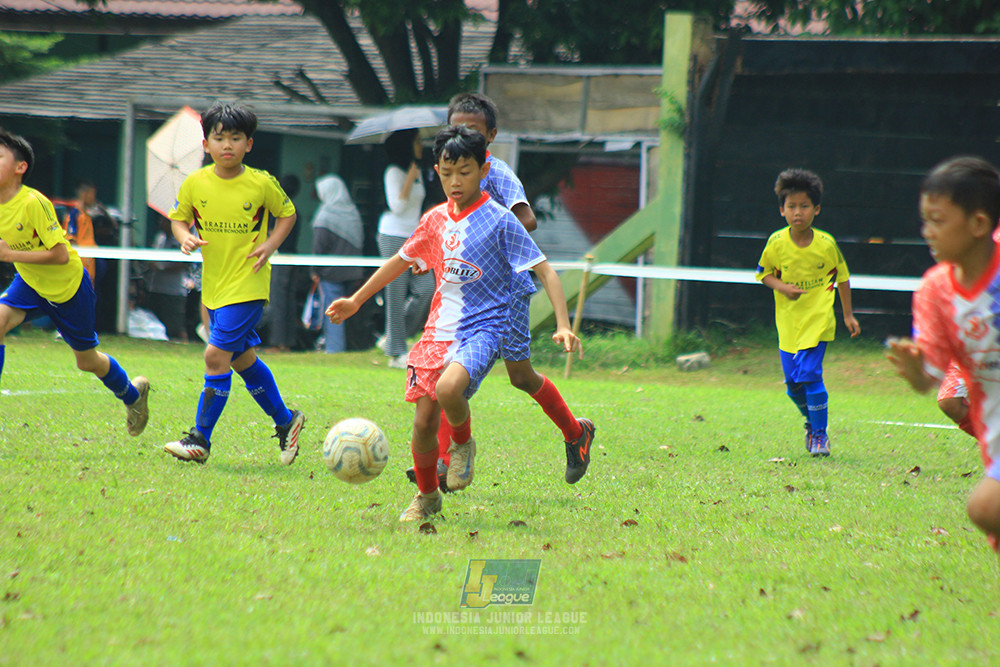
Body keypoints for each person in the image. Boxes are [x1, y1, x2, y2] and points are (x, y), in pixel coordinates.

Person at [327, 126, 580, 521]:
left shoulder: (499, 220)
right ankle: (427, 498)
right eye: (446, 173)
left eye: (464, 171)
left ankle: (462, 444)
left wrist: (563, 324)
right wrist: (356, 300)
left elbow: (546, 271)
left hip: (485, 328)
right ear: (436, 171)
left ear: (483, 169)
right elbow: (400, 260)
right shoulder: (434, 220)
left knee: (450, 389)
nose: (455, 181)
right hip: (437, 331)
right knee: (423, 421)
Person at [410, 91, 594, 491]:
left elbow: (527, 218)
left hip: (506, 292)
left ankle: (575, 432)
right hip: (470, 294)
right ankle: (444, 462)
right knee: (448, 378)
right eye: (456, 127)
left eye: (472, 130)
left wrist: (489, 229)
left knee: (521, 377)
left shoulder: (497, 174)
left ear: (490, 136)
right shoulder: (452, 169)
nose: (463, 134)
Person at [163, 102, 305, 465]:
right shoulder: (195, 183)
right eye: (219, 137)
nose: (227, 145)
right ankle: (287, 421)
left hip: (248, 284)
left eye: (236, 138)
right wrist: (184, 237)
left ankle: (200, 440)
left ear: (249, 144)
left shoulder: (261, 183)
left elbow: (287, 214)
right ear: (206, 144)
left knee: (214, 355)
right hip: (214, 286)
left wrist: (270, 245)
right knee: (241, 359)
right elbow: (178, 220)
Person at [0, 128, 150, 436]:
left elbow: (59, 255)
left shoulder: (33, 203)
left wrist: (9, 253)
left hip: (68, 287)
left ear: (20, 167)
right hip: (29, 283)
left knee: (87, 361)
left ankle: (133, 397)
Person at [887, 156, 1000, 555]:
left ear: (979, 224)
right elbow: (929, 380)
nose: (926, 232)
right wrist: (915, 370)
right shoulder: (935, 292)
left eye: (937, 220)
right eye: (925, 220)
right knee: (985, 510)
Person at [755, 168, 860, 457]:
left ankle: (820, 436)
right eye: (791, 207)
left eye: (804, 206)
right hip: (789, 324)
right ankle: (811, 422)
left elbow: (842, 277)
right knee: (793, 386)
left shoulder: (826, 245)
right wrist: (783, 287)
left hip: (818, 321)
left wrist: (848, 315)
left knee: (811, 376)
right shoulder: (776, 243)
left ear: (816, 209)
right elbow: (763, 275)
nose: (797, 212)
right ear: (781, 210)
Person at [377, 129, 435, 368]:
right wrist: (409, 179)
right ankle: (396, 353)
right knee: (396, 293)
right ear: (406, 145)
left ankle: (393, 337)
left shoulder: (418, 170)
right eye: (418, 141)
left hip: (414, 237)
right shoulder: (394, 172)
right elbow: (397, 207)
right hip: (392, 235)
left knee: (427, 288)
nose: (421, 145)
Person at [310, 173, 364, 354]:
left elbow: (319, 246)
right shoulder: (353, 212)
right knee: (352, 309)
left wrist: (314, 270)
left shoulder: (324, 216)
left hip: (330, 273)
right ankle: (355, 345)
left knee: (333, 310)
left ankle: (334, 349)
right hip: (353, 273)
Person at [262, 174, 302, 352]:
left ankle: (277, 343)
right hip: (293, 259)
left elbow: (271, 234)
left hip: (279, 260)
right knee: (289, 302)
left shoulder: (277, 211)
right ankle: (288, 342)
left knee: (277, 302)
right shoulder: (295, 211)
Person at [145, 215, 190, 342]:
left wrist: (162, 269)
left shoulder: (181, 240)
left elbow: (183, 264)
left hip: (173, 291)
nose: (161, 223)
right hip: (156, 287)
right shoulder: (160, 237)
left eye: (164, 221)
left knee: (174, 327)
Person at [61, 180, 100, 285]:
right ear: (84, 194)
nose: (94, 198)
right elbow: (71, 241)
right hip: (81, 265)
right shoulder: (74, 214)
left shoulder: (86, 215)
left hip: (90, 263)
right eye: (92, 194)